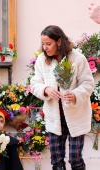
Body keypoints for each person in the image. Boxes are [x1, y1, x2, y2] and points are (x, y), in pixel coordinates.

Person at [30, 25, 94, 170]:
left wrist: (75, 94)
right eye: (43, 44)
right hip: (54, 118)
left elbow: (88, 83)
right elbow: (35, 84)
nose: (45, 47)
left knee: (75, 160)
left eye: (48, 43)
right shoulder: (42, 60)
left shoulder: (77, 58)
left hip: (76, 116)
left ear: (59, 42)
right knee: (57, 162)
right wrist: (46, 89)